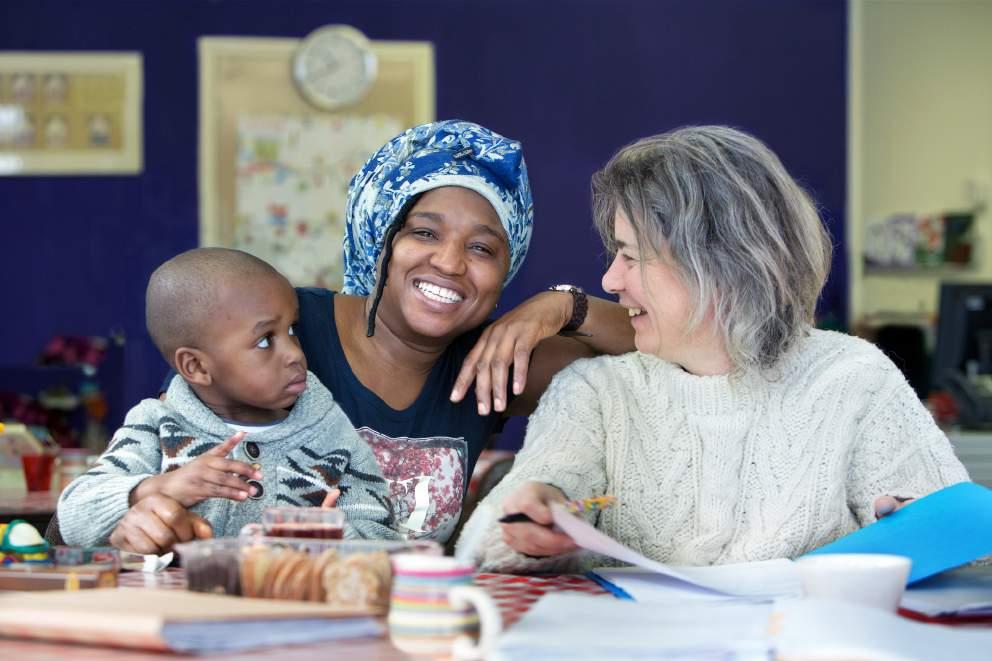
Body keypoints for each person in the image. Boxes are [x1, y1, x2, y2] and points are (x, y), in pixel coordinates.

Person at [456, 125, 971, 572]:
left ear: (720, 265)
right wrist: (531, 520)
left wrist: (919, 533)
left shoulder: (854, 377)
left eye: (632, 257)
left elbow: (969, 551)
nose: (611, 279)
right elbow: (488, 542)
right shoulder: (596, 391)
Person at [103, 120, 634, 551]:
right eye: (424, 233)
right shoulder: (286, 333)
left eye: (483, 248)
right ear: (378, 241)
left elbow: (659, 347)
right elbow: (134, 475)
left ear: (504, 273)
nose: (450, 263)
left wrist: (560, 305)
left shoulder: (493, 365)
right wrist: (137, 511)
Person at [58, 248, 396, 552]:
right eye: (265, 341)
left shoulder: (330, 432)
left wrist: (334, 537)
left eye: (292, 330)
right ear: (197, 366)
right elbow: (74, 515)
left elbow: (383, 537)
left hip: (290, 616)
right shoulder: (156, 425)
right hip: (177, 612)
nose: (294, 353)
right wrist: (157, 489)